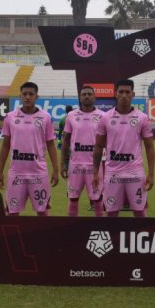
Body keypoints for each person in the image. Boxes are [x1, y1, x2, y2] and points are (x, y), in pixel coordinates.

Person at [92, 79, 155, 217]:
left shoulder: (142, 118)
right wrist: (95, 172)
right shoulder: (106, 118)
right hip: (113, 174)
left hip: (135, 173)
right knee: (111, 213)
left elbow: (149, 147)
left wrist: (151, 173)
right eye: (121, 92)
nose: (124, 95)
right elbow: (98, 146)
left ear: (133, 94)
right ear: (116, 94)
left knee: (139, 212)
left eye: (127, 92)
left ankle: (141, 239)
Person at [0, 82, 59, 216]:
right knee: (13, 213)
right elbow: (5, 145)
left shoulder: (46, 117)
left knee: (42, 212)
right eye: (24, 94)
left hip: (38, 174)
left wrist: (55, 169)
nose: (27, 97)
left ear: (37, 96)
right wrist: (0, 171)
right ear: (20, 96)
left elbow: (51, 145)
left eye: (31, 94)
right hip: (16, 174)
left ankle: (42, 237)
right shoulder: (10, 117)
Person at [61, 86, 105, 217]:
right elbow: (65, 141)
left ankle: (100, 229)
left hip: (95, 165)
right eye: (84, 94)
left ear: (94, 97)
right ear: (80, 97)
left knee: (97, 198)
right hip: (75, 165)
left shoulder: (103, 116)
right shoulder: (71, 116)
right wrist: (63, 163)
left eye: (89, 94)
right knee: (73, 198)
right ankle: (71, 229)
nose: (86, 96)